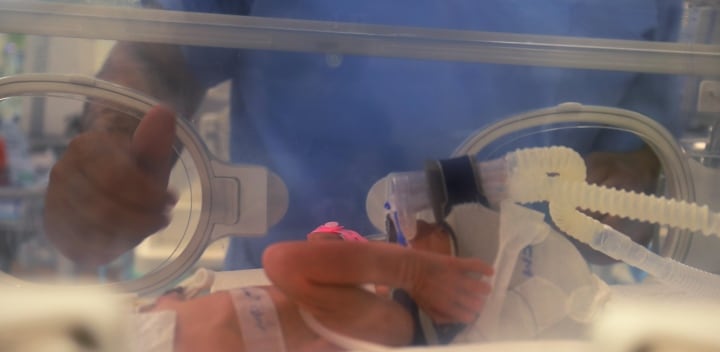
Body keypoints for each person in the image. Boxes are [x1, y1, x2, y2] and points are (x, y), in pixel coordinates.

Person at [43, 0, 682, 270]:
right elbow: (161, 55)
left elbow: (644, 156)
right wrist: (115, 145)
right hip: (293, 312)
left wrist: (626, 200)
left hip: (532, 330)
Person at [132, 221, 493, 352]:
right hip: (355, 335)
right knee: (281, 260)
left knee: (294, 263)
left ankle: (409, 277)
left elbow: (169, 313)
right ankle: (416, 273)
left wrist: (172, 300)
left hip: (342, 330)